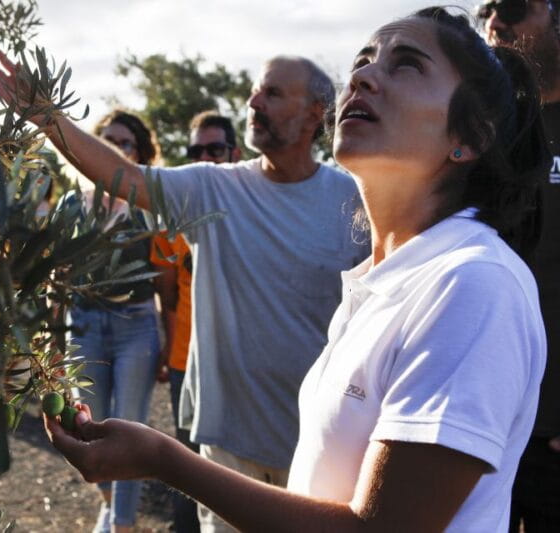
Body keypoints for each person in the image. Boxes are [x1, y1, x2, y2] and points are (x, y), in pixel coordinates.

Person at [44, 6, 550, 532]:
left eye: (406, 65)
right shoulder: (383, 284)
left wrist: (164, 459)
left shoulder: (473, 285)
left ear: (470, 136)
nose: (362, 77)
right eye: (362, 61)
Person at [0, 50, 369, 530]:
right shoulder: (215, 188)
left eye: (272, 93)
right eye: (256, 89)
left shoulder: (353, 202)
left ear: (317, 112)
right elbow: (124, 177)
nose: (254, 101)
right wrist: (47, 117)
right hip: (227, 450)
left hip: (318, 448)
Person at [479, 1, 560, 530]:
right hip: (477, 424)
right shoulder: (478, 132)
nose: (493, 20)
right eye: (484, 9)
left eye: (510, 5)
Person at [62, 109, 163, 533]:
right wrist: (52, 342)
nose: (114, 149)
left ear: (138, 154)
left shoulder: (148, 208)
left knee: (130, 429)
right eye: (106, 140)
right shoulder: (72, 205)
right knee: (90, 426)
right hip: (83, 324)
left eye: (124, 143)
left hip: (135, 326)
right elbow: (57, 276)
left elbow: (168, 279)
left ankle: (120, 524)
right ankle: (109, 502)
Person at [151, 111, 241, 533]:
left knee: (239, 471)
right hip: (187, 358)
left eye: (215, 149)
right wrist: (170, 353)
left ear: (235, 153)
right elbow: (166, 292)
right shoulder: (175, 215)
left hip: (242, 362)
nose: (205, 157)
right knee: (187, 466)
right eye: (196, 150)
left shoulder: (253, 207)